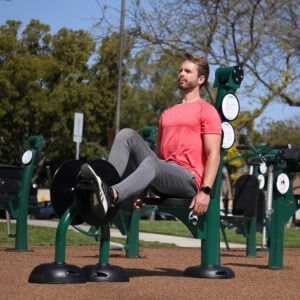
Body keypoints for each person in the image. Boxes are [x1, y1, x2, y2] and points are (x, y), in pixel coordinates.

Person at [80, 53, 222, 219]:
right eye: (180, 70)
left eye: (188, 71)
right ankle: (104, 187)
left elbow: (214, 154)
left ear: (201, 79)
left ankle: (112, 194)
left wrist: (205, 191)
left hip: (188, 180)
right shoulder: (167, 114)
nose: (181, 74)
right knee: (126, 135)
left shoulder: (207, 111)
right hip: (162, 171)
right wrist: (141, 187)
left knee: (152, 163)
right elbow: (157, 156)